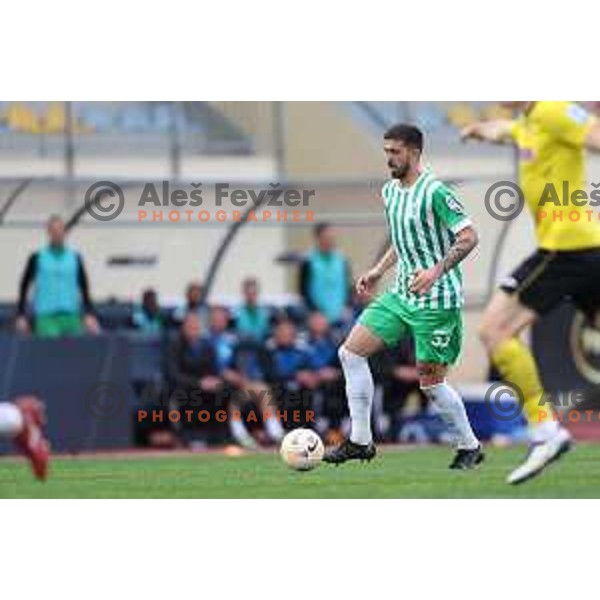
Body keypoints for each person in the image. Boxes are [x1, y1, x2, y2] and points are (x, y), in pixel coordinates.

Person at [324, 124, 483, 469]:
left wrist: (434, 271)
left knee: (430, 383)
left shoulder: (435, 191)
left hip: (437, 299)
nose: (389, 159)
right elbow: (403, 238)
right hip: (401, 295)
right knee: (350, 353)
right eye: (386, 152)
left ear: (413, 152)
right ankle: (360, 441)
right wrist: (378, 270)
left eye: (395, 152)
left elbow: (469, 237)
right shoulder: (390, 192)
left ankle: (469, 445)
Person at [462, 101, 600, 484]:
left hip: (566, 249)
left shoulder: (555, 110)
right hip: (582, 250)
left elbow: (594, 135)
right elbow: (505, 130)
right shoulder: (527, 123)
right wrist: (479, 130)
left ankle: (546, 432)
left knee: (494, 331)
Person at [15, 215, 100, 338]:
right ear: (48, 232)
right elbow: (24, 286)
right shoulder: (37, 258)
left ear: (64, 232)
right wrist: (21, 315)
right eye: (53, 230)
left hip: (71, 316)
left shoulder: (75, 258)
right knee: (50, 351)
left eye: (60, 230)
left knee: (76, 352)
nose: (57, 234)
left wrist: (89, 313)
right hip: (46, 317)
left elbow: (84, 287)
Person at [165, 313, 225, 446]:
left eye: (196, 327)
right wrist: (198, 383)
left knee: (224, 391)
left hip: (205, 387)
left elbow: (214, 370)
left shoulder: (207, 347)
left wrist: (214, 380)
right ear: (183, 328)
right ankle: (190, 436)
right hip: (184, 387)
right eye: (190, 326)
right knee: (188, 395)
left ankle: (219, 436)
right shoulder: (175, 347)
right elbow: (173, 374)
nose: (194, 330)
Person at [268, 319, 319, 429]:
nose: (285, 336)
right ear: (275, 334)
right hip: (278, 387)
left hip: (302, 388)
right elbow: (269, 373)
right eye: (282, 333)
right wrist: (295, 375)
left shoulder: (302, 352)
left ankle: (313, 427)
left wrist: (312, 376)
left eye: (289, 334)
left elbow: (313, 368)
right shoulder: (269, 352)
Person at [299, 223, 352, 325]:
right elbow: (303, 290)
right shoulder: (308, 261)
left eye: (331, 237)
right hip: (318, 316)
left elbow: (347, 286)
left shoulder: (342, 260)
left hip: (340, 313)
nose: (330, 240)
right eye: (326, 237)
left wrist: (347, 306)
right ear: (318, 238)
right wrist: (315, 312)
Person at [305, 311, 346, 440]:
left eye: (321, 320)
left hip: (334, 382)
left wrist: (336, 373)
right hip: (310, 382)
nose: (318, 324)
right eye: (315, 321)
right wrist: (312, 374)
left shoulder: (337, 342)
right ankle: (315, 428)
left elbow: (345, 364)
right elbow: (299, 363)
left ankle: (342, 426)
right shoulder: (303, 343)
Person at [0, 396, 49, 480]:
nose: (43, 418)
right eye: (40, 412)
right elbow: (39, 458)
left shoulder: (22, 408)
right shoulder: (28, 422)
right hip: (12, 421)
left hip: (12, 420)